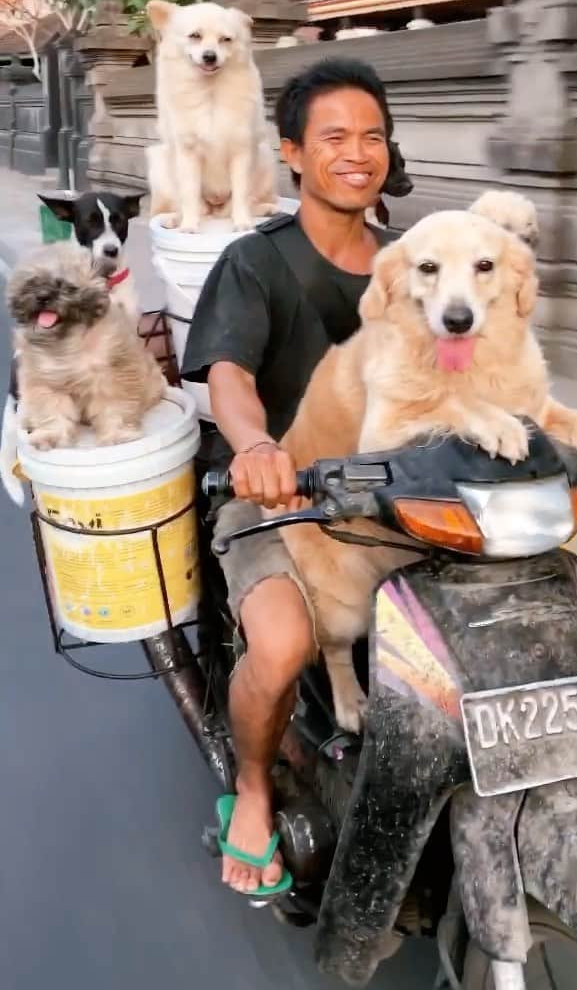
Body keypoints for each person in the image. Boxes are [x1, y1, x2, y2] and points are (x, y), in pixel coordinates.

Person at [182, 58, 398, 896]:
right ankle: (255, 787)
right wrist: (254, 446)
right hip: (284, 498)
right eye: (335, 137)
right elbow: (229, 373)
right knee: (283, 643)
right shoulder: (256, 262)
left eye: (372, 135)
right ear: (294, 154)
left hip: (399, 496)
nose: (358, 153)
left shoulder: (414, 261)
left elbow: (474, 355)